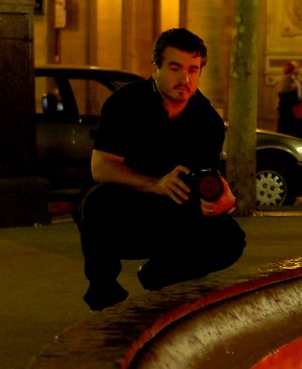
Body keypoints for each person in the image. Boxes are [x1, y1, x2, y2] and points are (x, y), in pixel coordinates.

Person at [76, 28, 246, 311]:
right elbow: (101, 166)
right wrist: (154, 184)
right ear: (155, 68)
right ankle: (104, 293)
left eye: (193, 70)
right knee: (96, 202)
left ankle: (160, 277)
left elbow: (205, 175)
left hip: (173, 209)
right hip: (125, 205)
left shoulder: (207, 120)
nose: (185, 79)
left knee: (230, 239)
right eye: (175, 68)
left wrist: (222, 201)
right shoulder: (126, 102)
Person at [276, 59, 302, 140]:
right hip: (290, 110)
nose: (298, 69)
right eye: (296, 67)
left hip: (295, 108)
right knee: (290, 130)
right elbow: (283, 90)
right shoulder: (287, 78)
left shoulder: (295, 78)